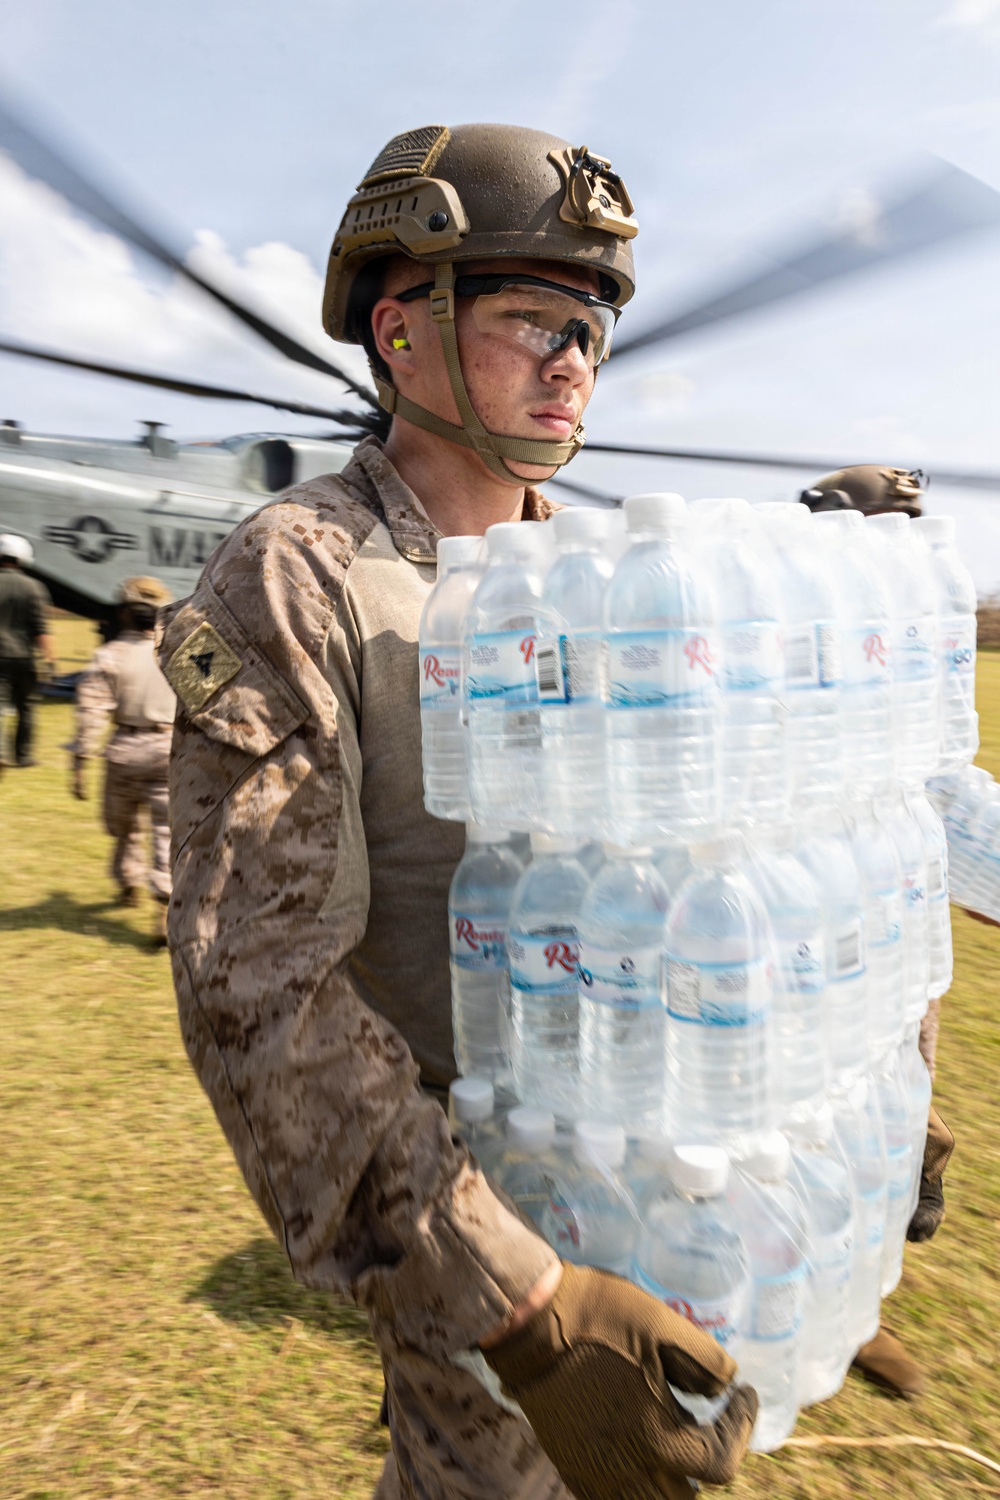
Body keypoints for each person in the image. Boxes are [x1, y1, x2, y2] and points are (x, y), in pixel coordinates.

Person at [158, 124, 758, 1500]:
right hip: (473, 1221)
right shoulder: (304, 576)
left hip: (643, 1175)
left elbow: (695, 871)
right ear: (403, 333)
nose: (573, 360)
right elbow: (264, 987)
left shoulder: (603, 585)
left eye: (592, 329)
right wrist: (520, 1297)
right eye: (531, 317)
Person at [801, 464, 956, 1398]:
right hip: (809, 913)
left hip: (899, 912)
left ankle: (864, 1316)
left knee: (890, 1107)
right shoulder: (784, 622)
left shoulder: (919, 632)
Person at [73, 576, 176, 946]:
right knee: (167, 830)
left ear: (124, 614)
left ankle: (128, 880)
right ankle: (163, 897)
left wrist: (81, 759)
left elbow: (92, 710)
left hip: (125, 752)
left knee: (123, 824)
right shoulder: (187, 649)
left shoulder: (109, 655)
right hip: (171, 750)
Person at [0, 533, 55, 768]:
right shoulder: (35, 587)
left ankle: (1, 753)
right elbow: (40, 628)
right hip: (24, 657)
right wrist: (50, 658)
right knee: (26, 707)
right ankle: (23, 756)